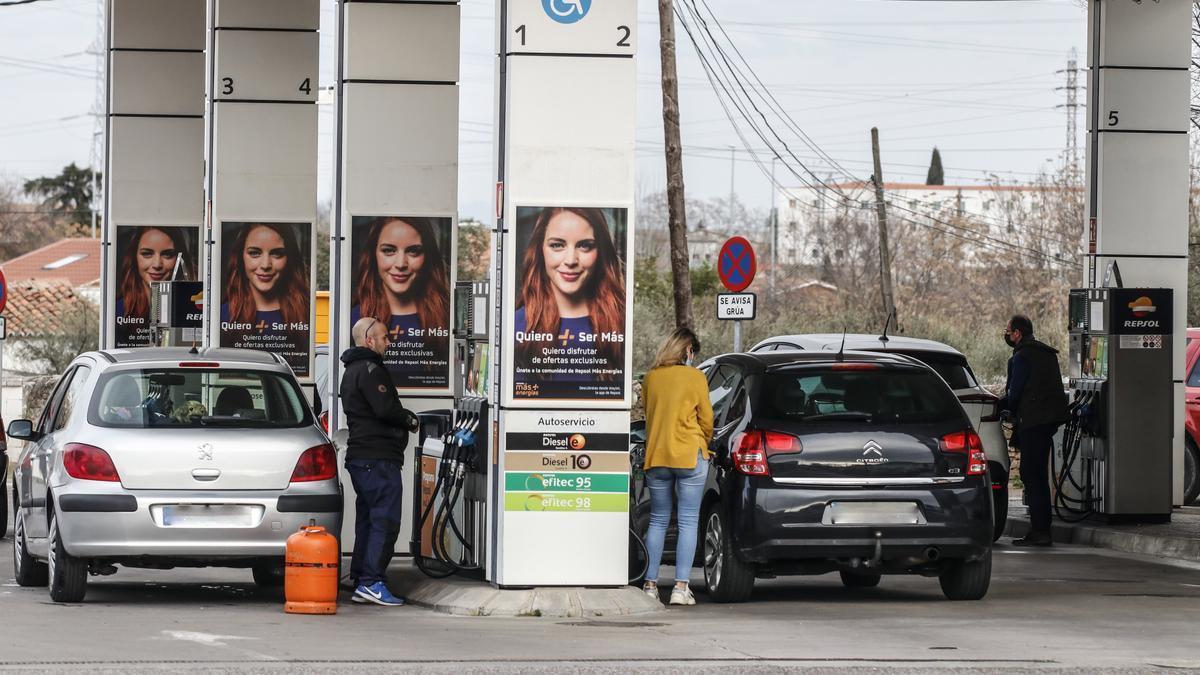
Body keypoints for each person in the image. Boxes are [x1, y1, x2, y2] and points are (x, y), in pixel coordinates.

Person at [340, 316, 419, 606]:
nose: (389, 342)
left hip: (363, 457)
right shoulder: (371, 369)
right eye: (385, 337)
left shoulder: (352, 370)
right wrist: (410, 419)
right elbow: (386, 409)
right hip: (378, 457)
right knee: (385, 520)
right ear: (369, 340)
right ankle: (372, 581)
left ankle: (362, 576)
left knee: (369, 520)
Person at [513, 207, 626, 391]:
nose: (571, 260)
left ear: (601, 252)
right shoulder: (517, 325)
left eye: (585, 245)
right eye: (557, 245)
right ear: (540, 250)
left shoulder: (620, 323)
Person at [640, 327, 713, 605]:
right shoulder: (695, 377)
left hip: (658, 455)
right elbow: (706, 419)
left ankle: (650, 584)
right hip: (689, 455)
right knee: (688, 521)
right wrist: (704, 443)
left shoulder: (651, 378)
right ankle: (681, 588)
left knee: (658, 520)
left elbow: (649, 413)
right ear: (688, 351)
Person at [351, 217, 451, 384]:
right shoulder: (356, 318)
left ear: (427, 256)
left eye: (413, 251)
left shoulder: (445, 316)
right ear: (373, 255)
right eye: (389, 250)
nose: (401, 264)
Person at [1000, 314, 1068, 547]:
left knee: (1031, 474)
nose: (1006, 335)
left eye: (1008, 331)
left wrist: (1002, 406)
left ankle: (1040, 531)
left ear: (1017, 333)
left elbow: (1014, 393)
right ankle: (1041, 529)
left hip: (1033, 422)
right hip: (1047, 422)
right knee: (1037, 473)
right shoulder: (1047, 353)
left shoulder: (1021, 357)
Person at [115, 226, 193, 347]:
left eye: (167, 255)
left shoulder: (191, 308)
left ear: (179, 259)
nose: (157, 264)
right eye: (147, 254)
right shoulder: (118, 311)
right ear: (134, 258)